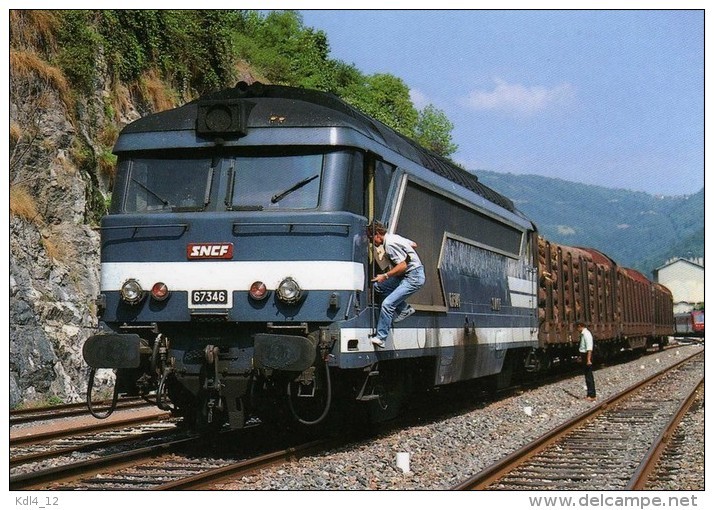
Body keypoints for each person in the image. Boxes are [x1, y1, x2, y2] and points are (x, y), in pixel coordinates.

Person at [366, 221, 425, 348]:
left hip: (413, 277)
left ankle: (381, 338)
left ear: (377, 234)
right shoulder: (394, 237)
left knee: (388, 304)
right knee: (378, 287)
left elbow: (403, 266)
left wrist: (385, 275)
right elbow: (413, 244)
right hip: (408, 274)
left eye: (371, 239)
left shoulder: (390, 245)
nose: (372, 243)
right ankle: (404, 309)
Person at [577, 321, 596, 401]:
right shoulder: (583, 334)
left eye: (577, 327)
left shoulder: (586, 334)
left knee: (589, 376)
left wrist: (588, 360)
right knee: (587, 376)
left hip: (587, 356)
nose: (577, 329)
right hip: (584, 356)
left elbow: (589, 348)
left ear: (580, 326)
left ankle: (592, 395)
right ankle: (589, 394)